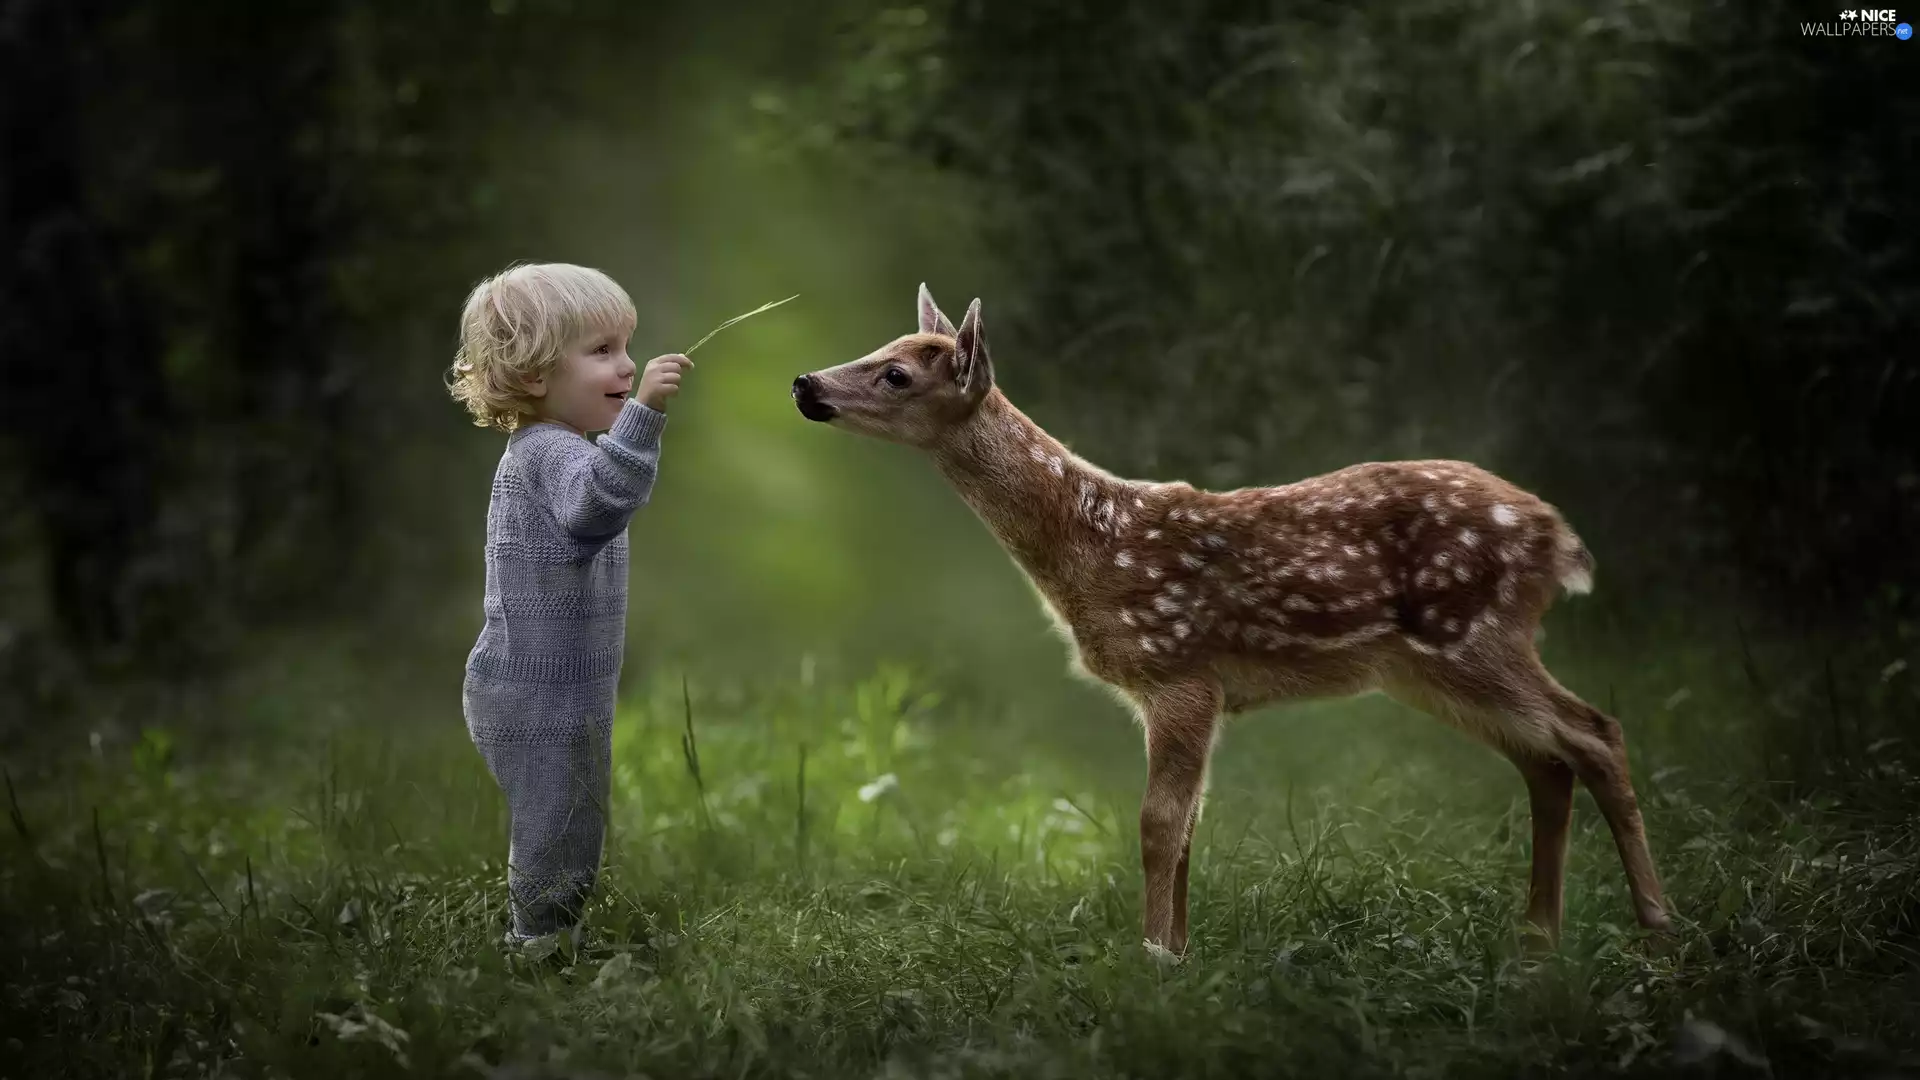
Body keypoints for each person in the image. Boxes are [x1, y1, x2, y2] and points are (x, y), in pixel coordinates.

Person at [445, 261, 691, 949]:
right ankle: (537, 943)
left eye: (627, 346)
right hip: (533, 690)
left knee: (573, 815)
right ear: (533, 375)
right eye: (602, 351)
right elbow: (599, 505)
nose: (626, 364)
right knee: (558, 821)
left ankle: (553, 930)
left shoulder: (560, 448)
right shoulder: (547, 453)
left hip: (560, 688)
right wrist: (644, 414)